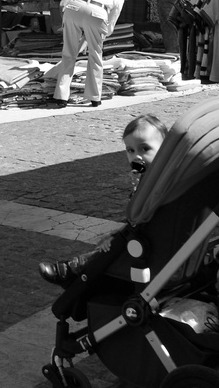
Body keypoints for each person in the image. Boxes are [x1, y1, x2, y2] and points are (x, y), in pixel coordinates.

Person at [38, 113, 166, 285]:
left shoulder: (160, 182)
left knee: (109, 250)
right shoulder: (148, 178)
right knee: (109, 242)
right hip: (140, 233)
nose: (137, 156)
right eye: (131, 150)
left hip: (146, 242)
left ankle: (71, 269)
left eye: (145, 149)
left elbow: (141, 216)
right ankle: (77, 268)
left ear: (164, 149)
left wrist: (121, 235)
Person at [48, 0, 133, 105]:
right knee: (95, 56)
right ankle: (94, 97)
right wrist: (94, 37)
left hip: (73, 8)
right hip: (97, 14)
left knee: (68, 53)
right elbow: (109, 27)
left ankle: (60, 96)